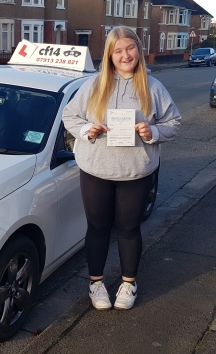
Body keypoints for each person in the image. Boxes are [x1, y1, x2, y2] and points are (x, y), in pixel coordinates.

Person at [62, 27, 181, 310]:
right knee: (98, 228)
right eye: (118, 51)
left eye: (130, 48)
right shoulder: (93, 85)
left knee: (128, 229)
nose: (125, 55)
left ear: (138, 50)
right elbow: (70, 115)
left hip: (135, 173)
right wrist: (88, 129)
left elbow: (173, 122)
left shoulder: (153, 87)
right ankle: (96, 283)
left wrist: (152, 131)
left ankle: (128, 284)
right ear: (110, 55)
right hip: (96, 171)